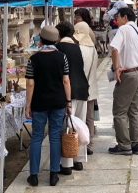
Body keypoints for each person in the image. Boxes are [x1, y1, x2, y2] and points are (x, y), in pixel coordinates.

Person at [25, 26, 70, 187]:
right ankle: (53, 174)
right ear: (56, 40)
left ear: (41, 40)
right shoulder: (62, 57)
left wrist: (27, 105)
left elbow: (30, 84)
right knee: (55, 136)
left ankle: (34, 175)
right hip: (58, 101)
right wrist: (68, 102)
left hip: (39, 102)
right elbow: (66, 81)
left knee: (36, 137)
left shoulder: (33, 59)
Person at [109, 7, 138, 155]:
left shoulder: (124, 29)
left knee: (120, 111)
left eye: (118, 17)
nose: (116, 21)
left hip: (129, 74)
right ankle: (136, 143)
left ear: (125, 17)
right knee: (134, 109)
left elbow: (114, 48)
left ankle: (124, 144)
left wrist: (116, 67)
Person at [55, 21, 89, 174]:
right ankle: (79, 159)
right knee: (79, 126)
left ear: (59, 33)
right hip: (82, 87)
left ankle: (67, 163)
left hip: (67, 91)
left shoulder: (59, 48)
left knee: (67, 126)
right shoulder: (77, 47)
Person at [73, 22, 99, 156]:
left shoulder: (79, 49)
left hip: (81, 88)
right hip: (92, 87)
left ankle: (80, 144)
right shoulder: (93, 48)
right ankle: (90, 144)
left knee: (79, 118)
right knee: (89, 118)